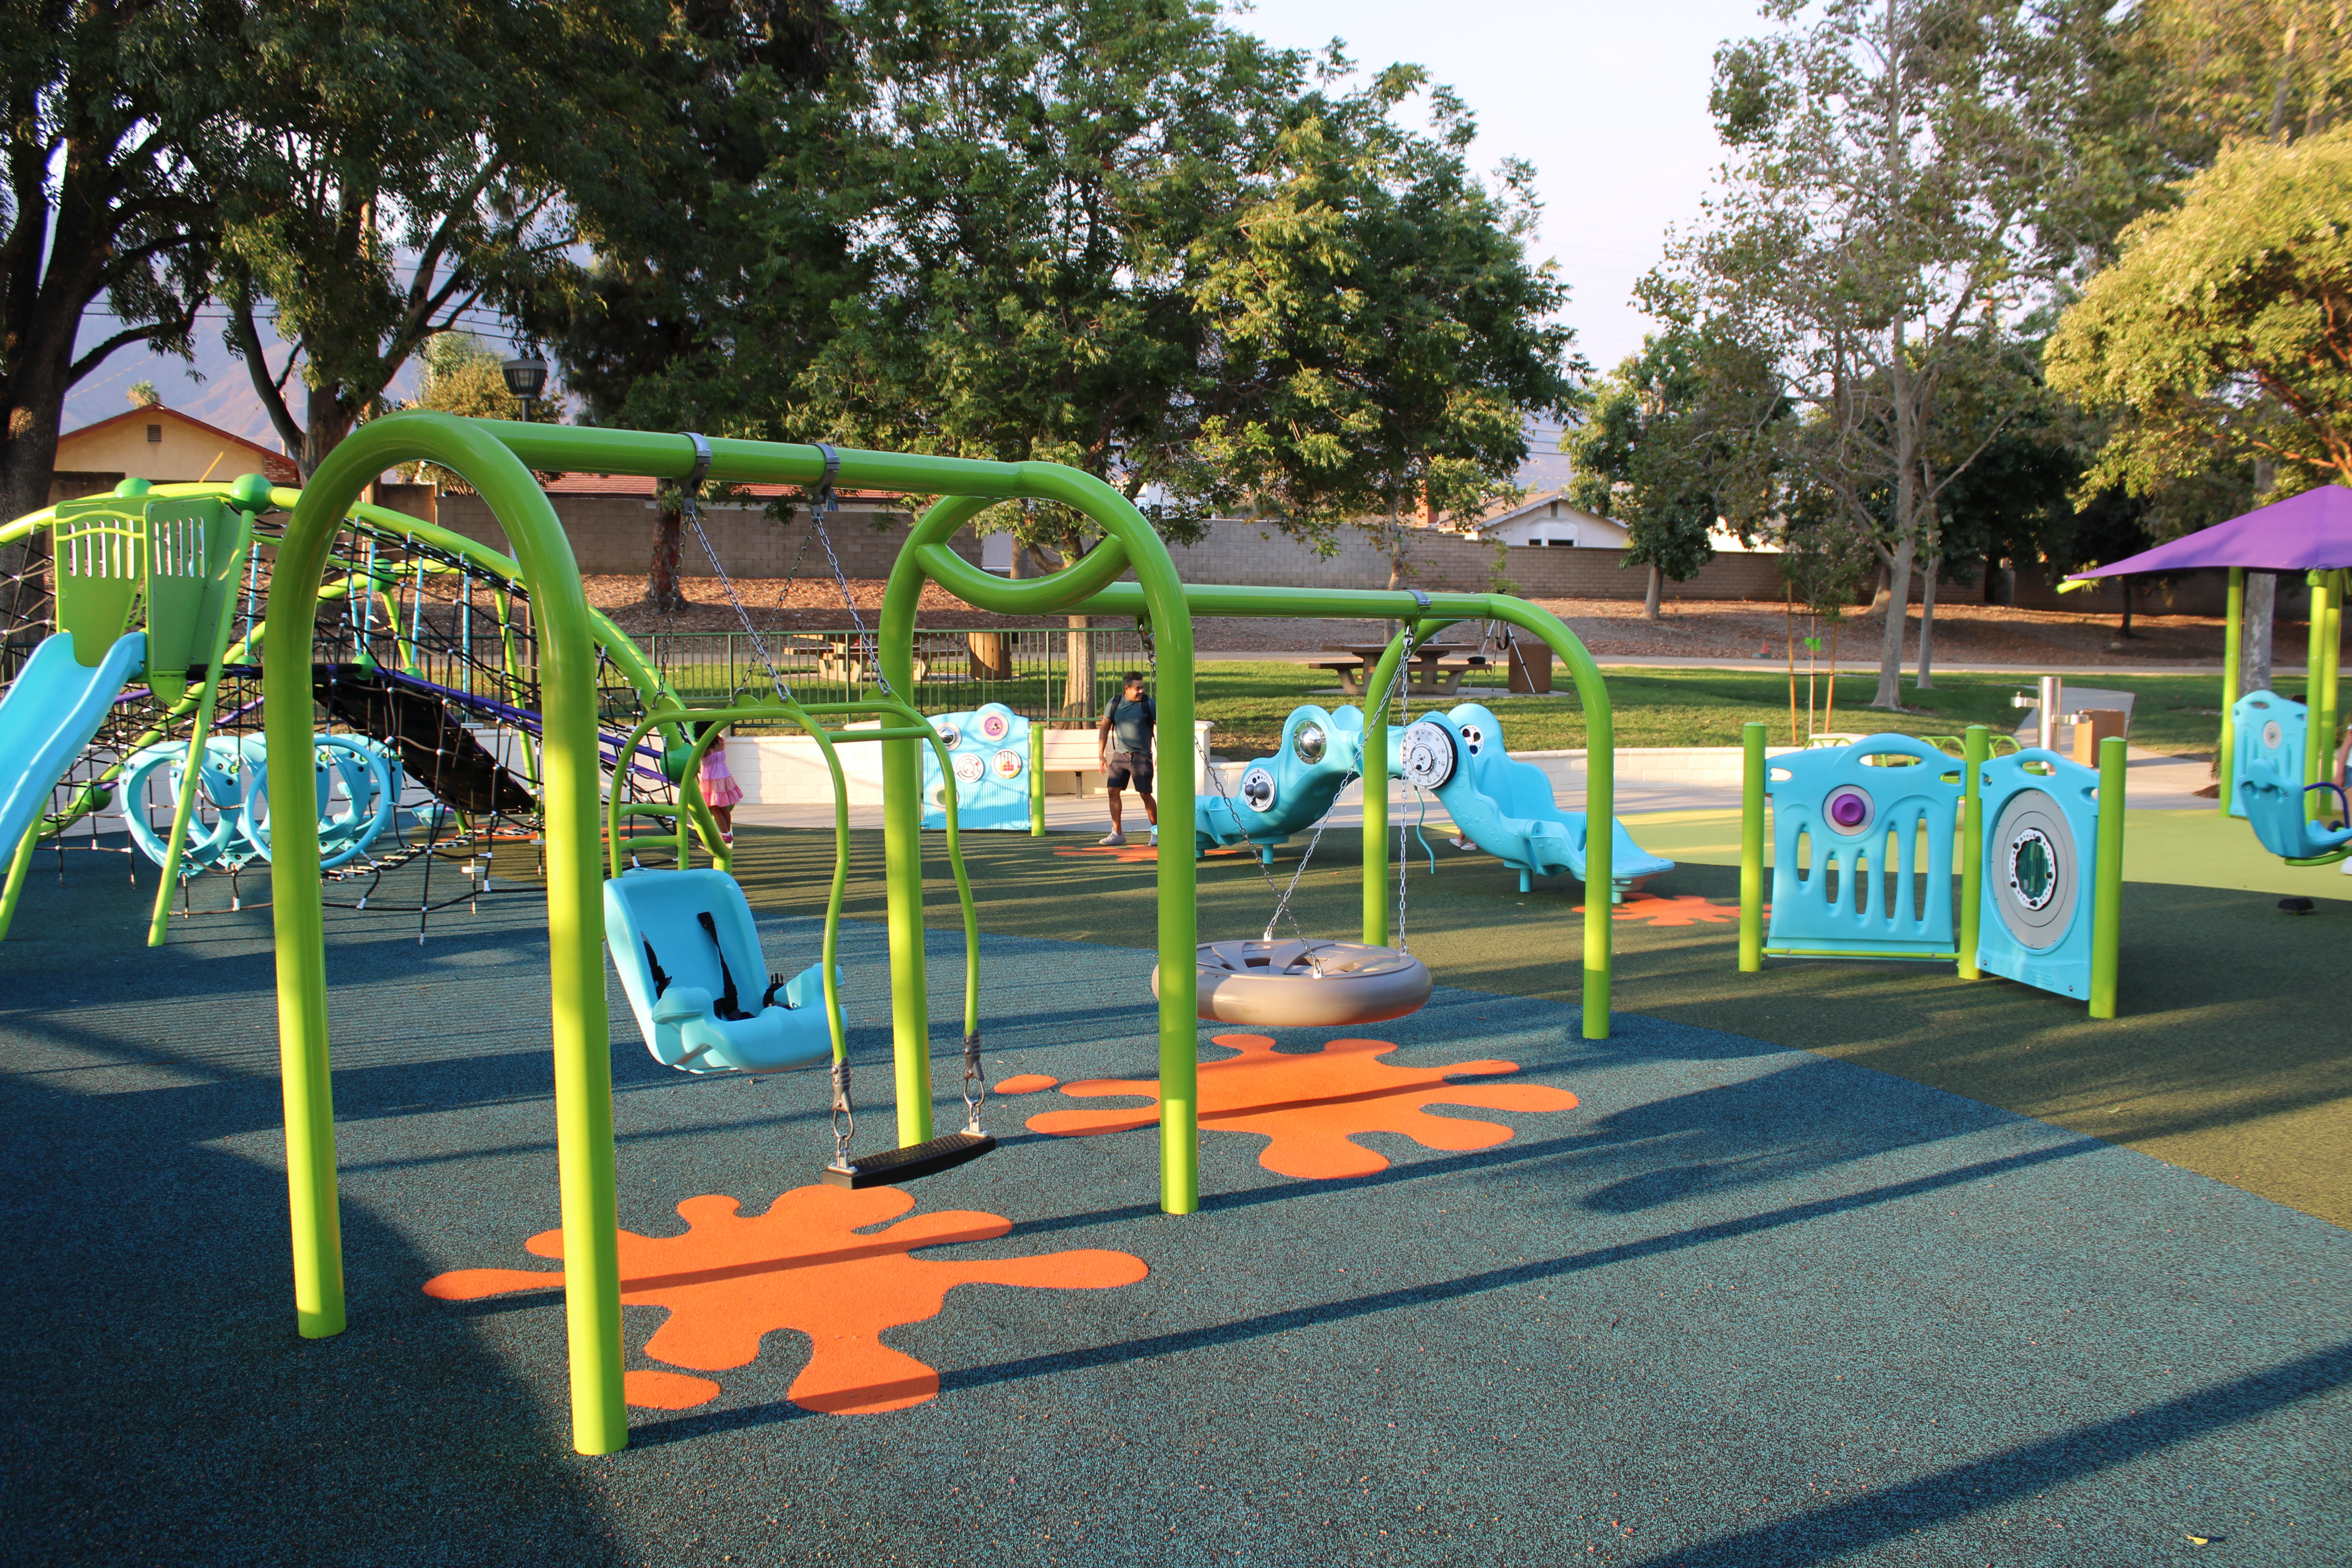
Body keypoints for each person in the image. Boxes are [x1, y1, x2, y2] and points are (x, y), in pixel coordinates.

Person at [1096, 670, 1158, 847]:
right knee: (1113, 792)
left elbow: (1161, 728)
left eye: (1143, 687)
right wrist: (1100, 756)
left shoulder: (1149, 704)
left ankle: (1156, 831)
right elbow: (1104, 728)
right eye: (1137, 688)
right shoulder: (1115, 704)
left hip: (1142, 757)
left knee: (1146, 794)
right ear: (1127, 689)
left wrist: (1160, 753)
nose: (1141, 691)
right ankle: (1118, 834)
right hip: (1120, 756)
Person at [697, 727, 743, 845]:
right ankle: (728, 832)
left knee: (714, 807)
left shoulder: (706, 746)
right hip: (723, 774)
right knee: (724, 806)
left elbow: (697, 757)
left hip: (712, 777)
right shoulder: (720, 741)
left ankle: (725, 833)